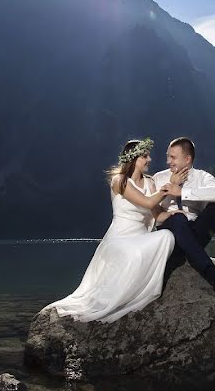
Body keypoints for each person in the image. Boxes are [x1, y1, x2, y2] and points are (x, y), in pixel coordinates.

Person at [40, 138, 185, 323]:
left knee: (166, 236)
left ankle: (143, 290)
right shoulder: (119, 181)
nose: (149, 159)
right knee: (134, 254)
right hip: (120, 238)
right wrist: (169, 186)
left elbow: (157, 215)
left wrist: (176, 214)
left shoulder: (150, 183)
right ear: (133, 158)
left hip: (140, 236)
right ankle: (124, 296)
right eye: (144, 156)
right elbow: (148, 202)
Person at [153, 137, 215, 301]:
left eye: (173, 157)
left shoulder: (202, 177)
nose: (168, 161)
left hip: (194, 234)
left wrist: (181, 193)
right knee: (178, 218)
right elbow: (153, 211)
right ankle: (214, 276)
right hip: (172, 237)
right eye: (167, 156)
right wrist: (169, 188)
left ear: (187, 159)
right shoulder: (159, 178)